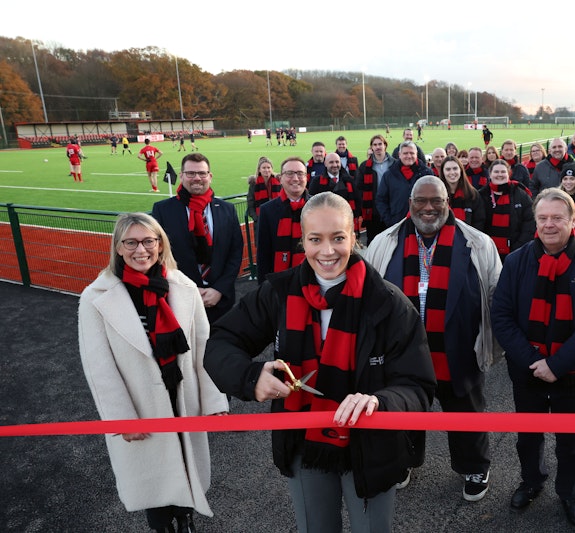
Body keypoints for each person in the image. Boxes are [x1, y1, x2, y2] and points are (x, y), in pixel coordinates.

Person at [204, 192, 437, 533]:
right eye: (315, 239)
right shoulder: (279, 293)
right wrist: (251, 375)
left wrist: (379, 401)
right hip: (303, 441)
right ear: (303, 241)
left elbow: (418, 386)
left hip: (371, 444)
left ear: (354, 236)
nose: (327, 251)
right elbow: (220, 343)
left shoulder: (388, 303)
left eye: (338, 238)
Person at [78, 212, 229, 533]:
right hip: (141, 407)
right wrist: (122, 418)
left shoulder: (183, 287)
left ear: (160, 245)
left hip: (182, 399)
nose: (140, 250)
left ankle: (186, 521)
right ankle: (162, 527)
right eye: (130, 242)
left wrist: (214, 402)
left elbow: (204, 348)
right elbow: (98, 367)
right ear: (118, 248)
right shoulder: (95, 298)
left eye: (148, 241)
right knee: (155, 484)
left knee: (186, 470)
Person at [364, 175, 501, 501]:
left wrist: (494, 345)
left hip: (459, 349)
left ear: (447, 203)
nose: (428, 208)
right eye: (421, 201)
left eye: (436, 201)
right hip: (403, 354)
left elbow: (496, 295)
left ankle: (475, 466)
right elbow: (368, 297)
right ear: (410, 204)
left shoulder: (478, 243)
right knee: (406, 411)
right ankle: (406, 461)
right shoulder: (385, 241)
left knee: (466, 412)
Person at [491, 188, 575, 529]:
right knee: (528, 436)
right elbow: (501, 316)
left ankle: (568, 491)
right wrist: (533, 361)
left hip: (573, 373)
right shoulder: (516, 261)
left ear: (573, 220)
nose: (549, 225)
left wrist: (556, 365)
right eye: (542, 218)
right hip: (526, 370)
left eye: (557, 218)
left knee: (571, 442)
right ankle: (531, 482)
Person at [152, 153, 244, 324]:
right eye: (191, 173)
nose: (197, 178)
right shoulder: (162, 210)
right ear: (181, 176)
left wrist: (219, 289)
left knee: (221, 347)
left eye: (202, 173)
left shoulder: (227, 210)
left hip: (221, 300)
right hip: (180, 299)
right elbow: (159, 257)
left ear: (210, 176)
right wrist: (187, 290)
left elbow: (235, 252)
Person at [256, 157, 309, 282]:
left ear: (306, 178)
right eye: (289, 173)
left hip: (312, 280)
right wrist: (264, 288)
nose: (295, 178)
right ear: (280, 179)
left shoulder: (317, 206)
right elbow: (264, 254)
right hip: (279, 282)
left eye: (300, 173)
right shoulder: (267, 210)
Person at [478, 159, 535, 262]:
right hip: (487, 253)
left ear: (509, 174)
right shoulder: (481, 195)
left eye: (503, 172)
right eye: (496, 172)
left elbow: (530, 222)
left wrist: (518, 248)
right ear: (490, 174)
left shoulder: (520, 194)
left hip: (515, 253)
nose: (500, 175)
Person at [375, 140, 434, 227]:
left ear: (416, 154)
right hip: (397, 224)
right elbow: (381, 200)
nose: (409, 156)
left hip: (423, 224)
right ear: (399, 155)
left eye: (411, 153)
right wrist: (389, 220)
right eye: (405, 153)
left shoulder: (427, 173)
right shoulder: (389, 174)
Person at [356, 134, 395, 245]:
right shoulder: (365, 166)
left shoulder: (394, 164)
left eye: (380, 144)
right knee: (373, 241)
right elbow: (359, 187)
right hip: (372, 210)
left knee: (390, 241)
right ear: (371, 147)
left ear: (385, 146)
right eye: (375, 145)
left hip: (391, 207)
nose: (377, 147)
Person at [309, 153, 362, 233]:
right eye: (331, 162)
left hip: (345, 223)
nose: (335, 165)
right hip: (324, 224)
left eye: (337, 162)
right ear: (325, 163)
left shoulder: (349, 180)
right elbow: (312, 204)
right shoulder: (316, 181)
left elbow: (357, 200)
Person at [439, 155, 485, 229]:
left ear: (460, 170)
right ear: (443, 172)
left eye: (455, 168)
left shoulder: (472, 194)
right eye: (448, 169)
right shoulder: (438, 195)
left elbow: (479, 221)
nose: (452, 172)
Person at [246, 156, 279, 237]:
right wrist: (256, 218)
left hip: (277, 219)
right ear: (259, 170)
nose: (266, 170)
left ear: (272, 169)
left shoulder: (278, 182)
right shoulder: (254, 184)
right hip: (260, 219)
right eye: (264, 168)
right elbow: (250, 202)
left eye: (268, 167)